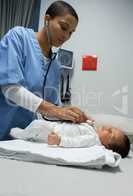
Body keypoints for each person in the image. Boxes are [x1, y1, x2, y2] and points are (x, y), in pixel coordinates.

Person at [0, 1, 91, 140]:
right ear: (47, 19)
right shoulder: (19, 37)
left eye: (71, 32)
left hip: (23, 138)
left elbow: (50, 110)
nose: (66, 36)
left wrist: (70, 115)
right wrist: (56, 110)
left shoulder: (55, 65)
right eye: (63, 27)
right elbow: (11, 89)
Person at [10, 119, 130, 158]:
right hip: (57, 127)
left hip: (56, 133)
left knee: (37, 124)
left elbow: (77, 142)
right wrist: (86, 121)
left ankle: (23, 135)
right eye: (111, 128)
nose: (107, 127)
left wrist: (60, 141)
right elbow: (80, 127)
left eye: (109, 132)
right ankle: (29, 135)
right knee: (38, 125)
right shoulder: (93, 132)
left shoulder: (93, 139)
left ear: (107, 146)